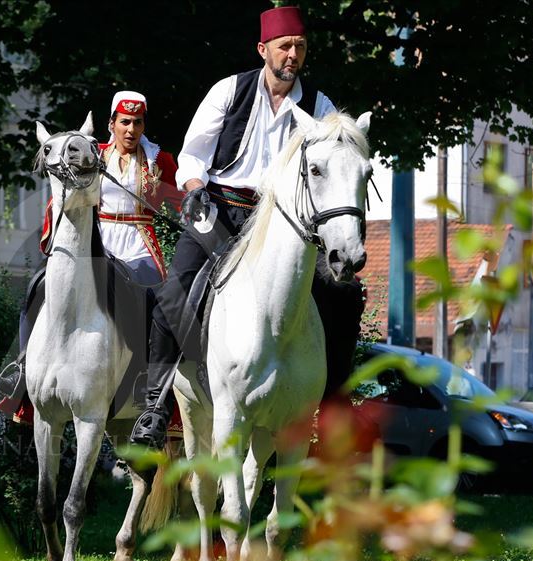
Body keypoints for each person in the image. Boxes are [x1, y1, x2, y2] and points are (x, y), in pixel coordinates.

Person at [129, 6, 367, 448]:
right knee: (174, 291)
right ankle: (155, 406)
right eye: (284, 47)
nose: (292, 55)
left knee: (346, 294)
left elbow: (336, 162)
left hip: (284, 220)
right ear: (264, 50)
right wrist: (196, 186)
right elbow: (193, 156)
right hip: (218, 208)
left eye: (299, 46)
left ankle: (332, 405)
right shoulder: (229, 90)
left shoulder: (321, 107)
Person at [0, 91, 180, 417]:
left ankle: (146, 381)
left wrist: (195, 209)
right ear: (112, 124)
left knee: (154, 301)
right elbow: (61, 197)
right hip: (95, 244)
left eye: (137, 123)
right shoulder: (93, 155)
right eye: (124, 122)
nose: (131, 130)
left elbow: (180, 203)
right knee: (37, 286)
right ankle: (21, 369)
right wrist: (53, 234)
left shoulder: (160, 161)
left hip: (140, 247)